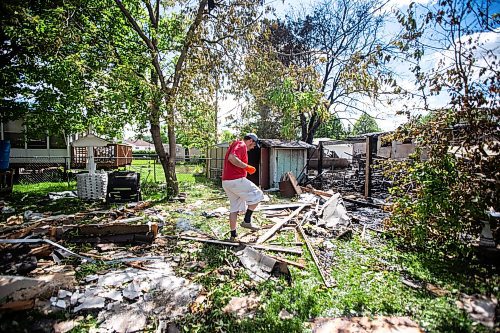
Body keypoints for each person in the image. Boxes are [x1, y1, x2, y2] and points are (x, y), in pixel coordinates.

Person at [222, 133, 264, 240]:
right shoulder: (241, 145)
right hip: (235, 180)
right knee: (258, 194)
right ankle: (247, 220)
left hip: (227, 181)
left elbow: (231, 158)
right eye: (254, 145)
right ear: (250, 141)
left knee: (234, 208)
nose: (253, 147)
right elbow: (232, 158)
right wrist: (247, 167)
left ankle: (233, 235)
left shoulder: (236, 145)